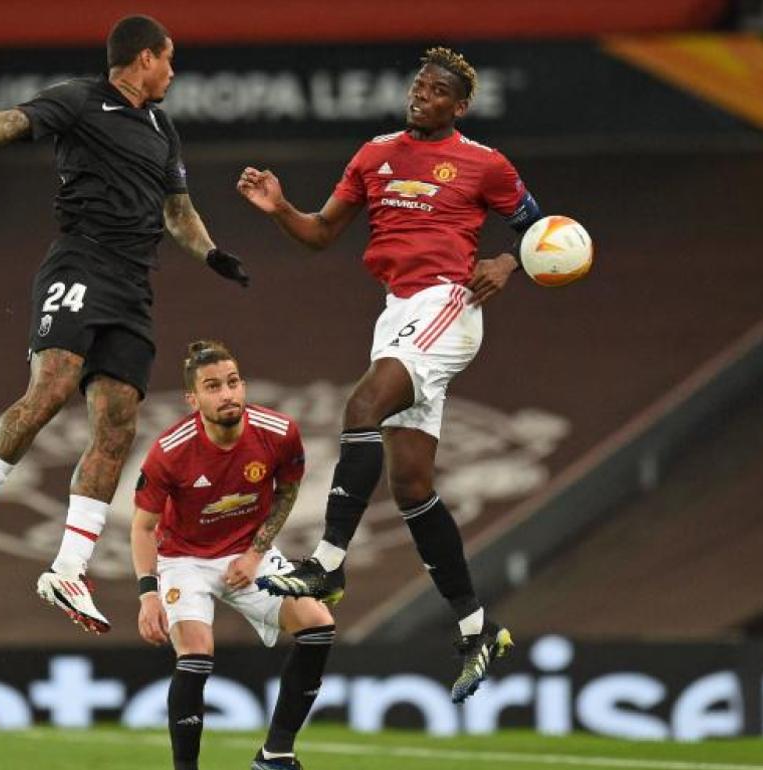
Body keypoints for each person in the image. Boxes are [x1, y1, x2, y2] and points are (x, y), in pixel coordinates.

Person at [0, 15, 250, 634]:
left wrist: (213, 254)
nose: (173, 71)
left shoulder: (161, 127)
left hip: (131, 287)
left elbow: (178, 210)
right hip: (81, 259)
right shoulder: (79, 99)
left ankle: (68, 568)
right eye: (168, 59)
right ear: (144, 59)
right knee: (53, 387)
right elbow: (10, 123)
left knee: (118, 425)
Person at [237, 47, 544, 703]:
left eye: (436, 91)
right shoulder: (374, 153)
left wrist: (510, 262)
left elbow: (543, 226)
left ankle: (325, 566)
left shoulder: (485, 163)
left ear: (459, 107)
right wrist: (279, 207)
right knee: (411, 487)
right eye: (418, 85)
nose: (420, 95)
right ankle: (477, 628)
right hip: (398, 312)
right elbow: (321, 233)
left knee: (361, 407)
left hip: (448, 304)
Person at [132, 340, 335, 770]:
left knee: (319, 625)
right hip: (183, 559)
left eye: (233, 382)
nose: (227, 394)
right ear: (193, 399)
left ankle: (276, 753)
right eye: (213, 387)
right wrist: (148, 594)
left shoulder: (279, 432)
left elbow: (288, 491)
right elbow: (143, 527)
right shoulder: (170, 451)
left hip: (247, 553)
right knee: (197, 652)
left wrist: (256, 551)